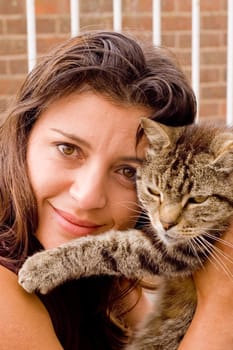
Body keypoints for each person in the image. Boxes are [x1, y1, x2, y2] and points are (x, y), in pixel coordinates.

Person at [0, 30, 233, 350]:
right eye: (68, 149)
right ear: (23, 137)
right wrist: (222, 304)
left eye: (128, 171)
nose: (88, 197)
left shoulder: (112, 282)